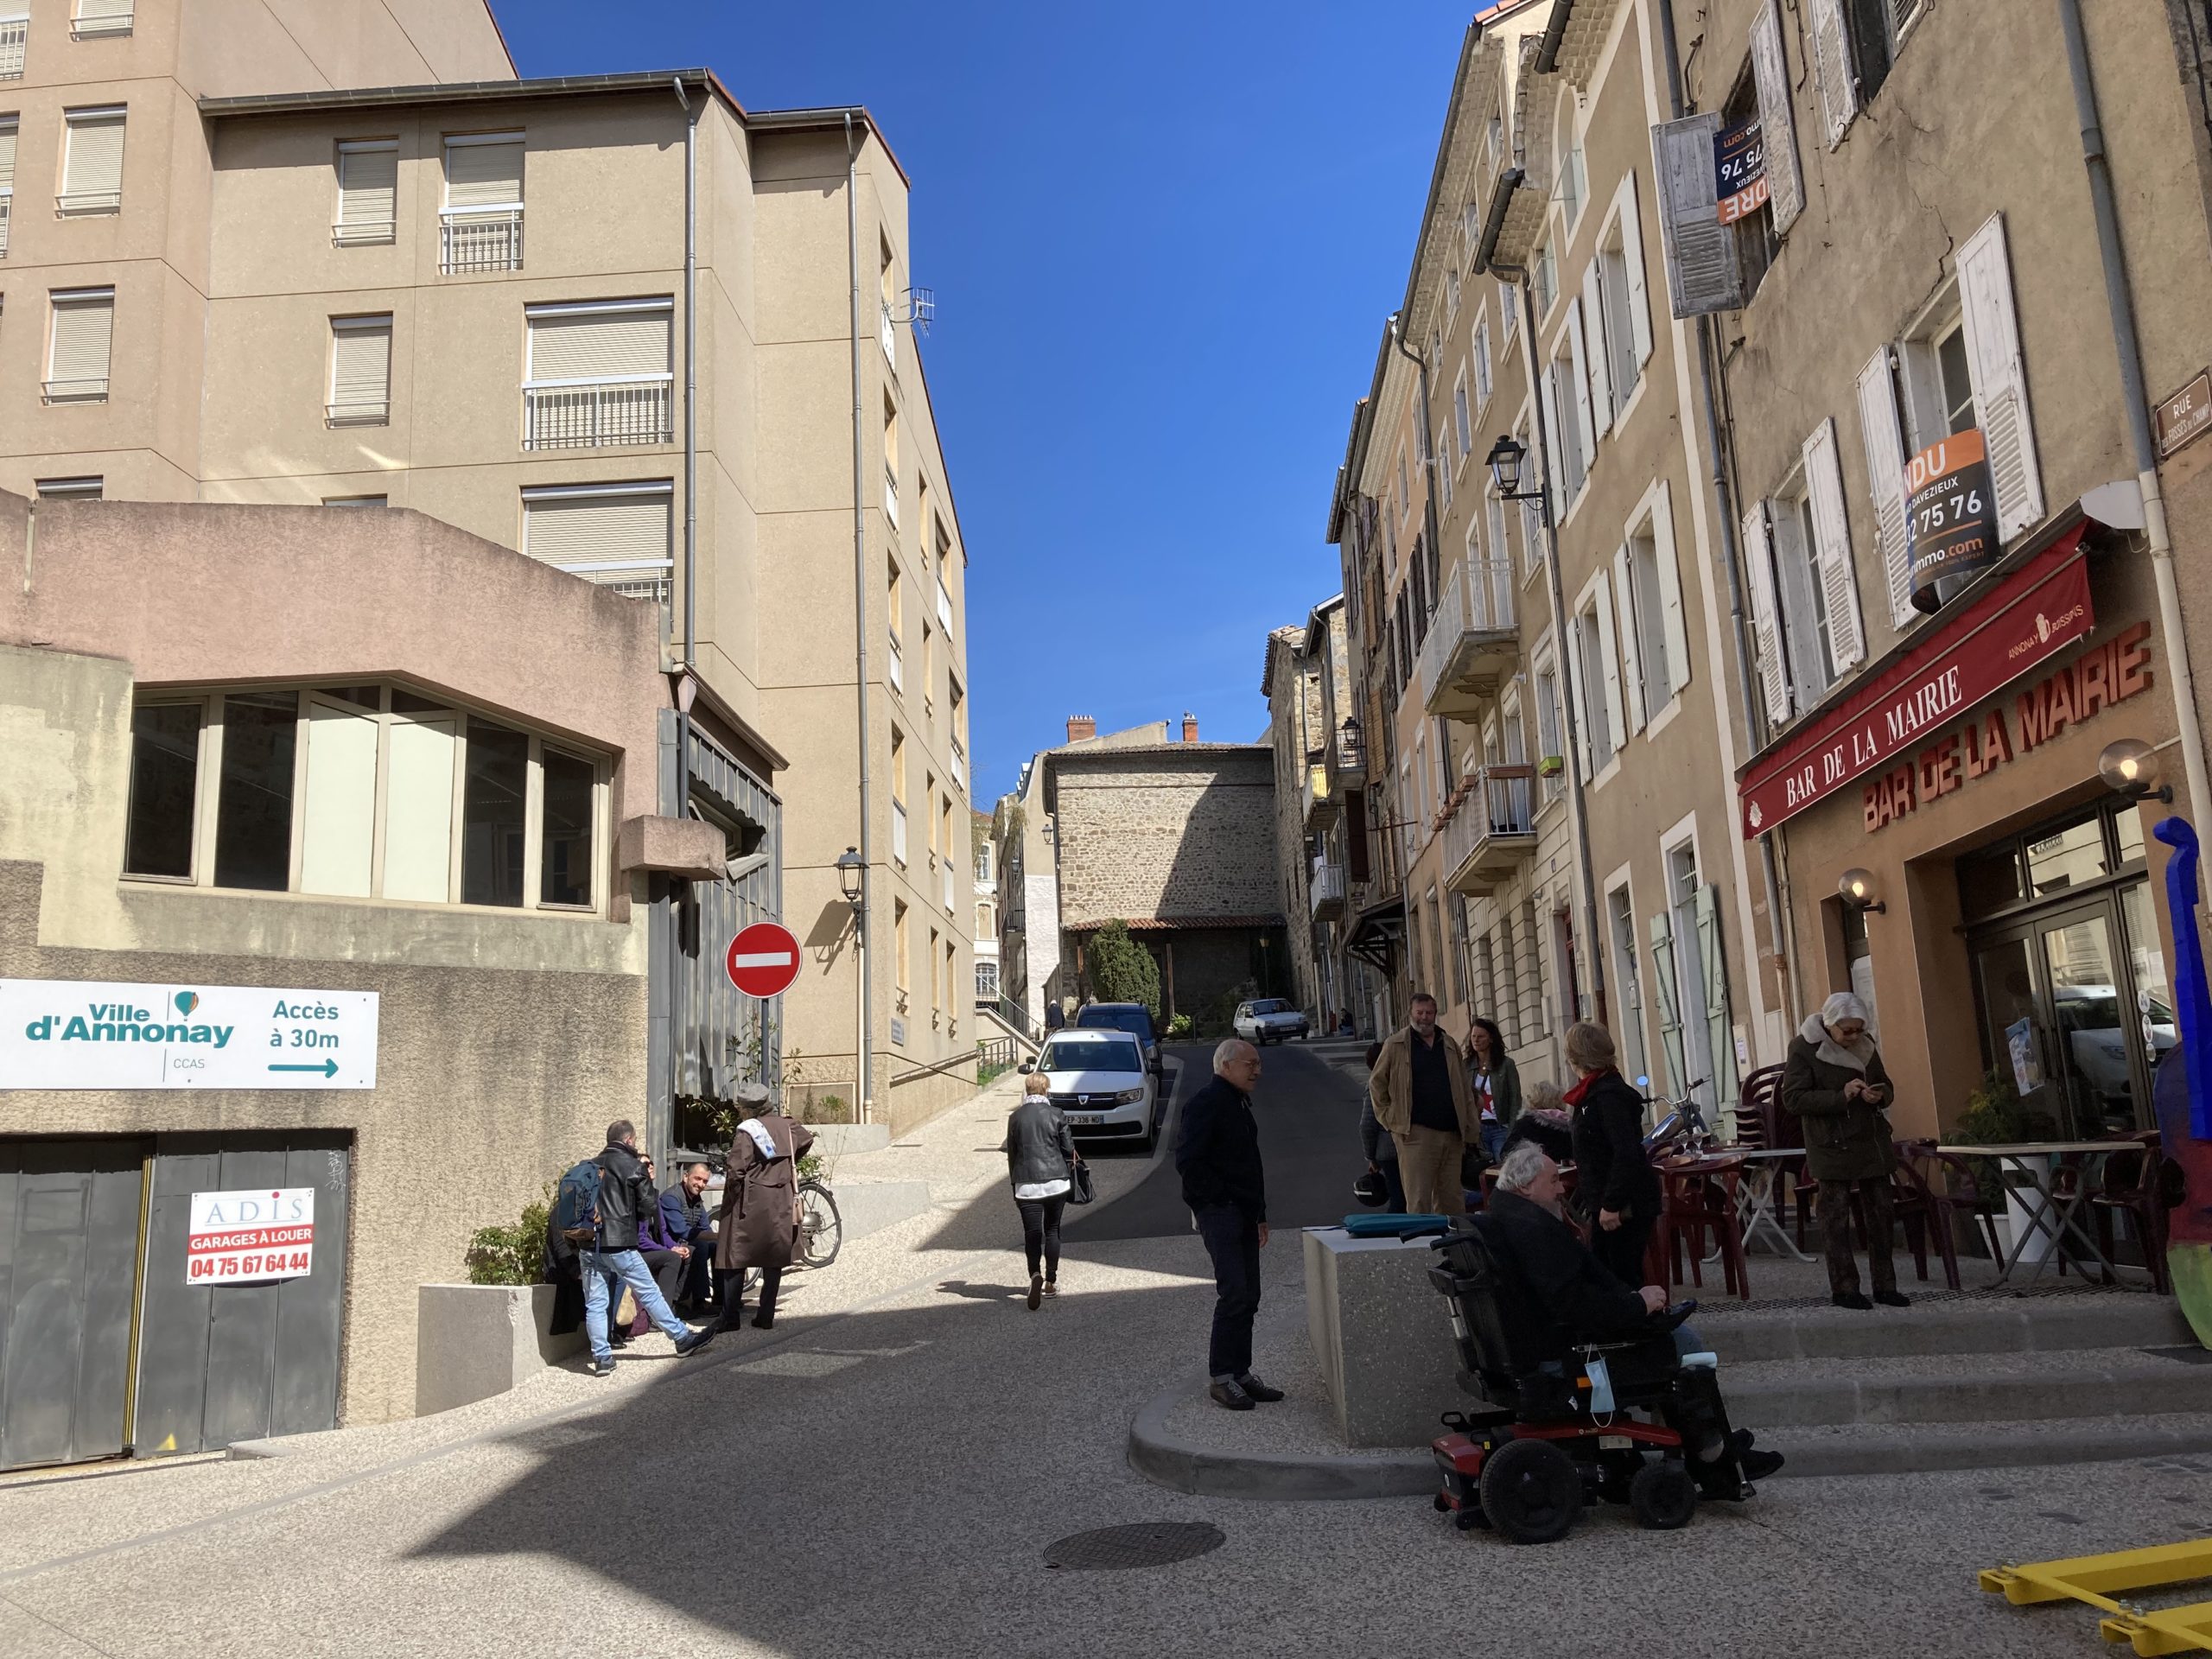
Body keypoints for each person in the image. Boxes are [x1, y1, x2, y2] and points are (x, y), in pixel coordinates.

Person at [1488, 1142, 1782, 1485]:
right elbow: (1573, 1303)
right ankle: (1712, 1453)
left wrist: (1633, 1301)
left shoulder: (1510, 1218)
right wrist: (1636, 1305)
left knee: (1668, 1333)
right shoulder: (1533, 1230)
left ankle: (1705, 1441)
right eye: (1553, 1180)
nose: (1561, 1189)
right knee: (1685, 1343)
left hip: (1540, 1342)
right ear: (1526, 1186)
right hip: (1564, 1353)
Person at [1176, 1037, 1284, 1411]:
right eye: (1250, 1064)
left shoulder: (1238, 1103)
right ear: (1225, 1066)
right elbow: (1189, 1162)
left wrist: (1260, 1214)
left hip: (1244, 1212)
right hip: (1221, 1212)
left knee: (1249, 1295)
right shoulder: (1206, 1103)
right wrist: (1218, 1202)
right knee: (1234, 1292)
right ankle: (1222, 1378)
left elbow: (1250, 1164)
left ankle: (1241, 1372)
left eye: (1258, 1064)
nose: (1257, 1071)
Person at [1783, 991, 1908, 1311]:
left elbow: (1886, 1084)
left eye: (1859, 1029)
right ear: (1829, 1025)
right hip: (1831, 1143)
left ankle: (1886, 1286)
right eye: (1847, 1030)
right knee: (1835, 1219)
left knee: (1882, 1214)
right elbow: (1793, 1099)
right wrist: (1842, 1095)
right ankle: (1845, 1289)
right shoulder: (1804, 1047)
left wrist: (1880, 1094)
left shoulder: (1867, 1044)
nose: (1854, 1037)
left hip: (1871, 1139)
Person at [579, 1120, 717, 1376]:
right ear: (629, 1140)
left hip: (589, 1244)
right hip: (619, 1244)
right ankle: (682, 1338)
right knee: (650, 1292)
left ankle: (602, 1358)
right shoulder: (633, 1166)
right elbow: (648, 1208)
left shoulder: (589, 1165)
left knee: (595, 1303)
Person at [1563, 1020, 1662, 1291]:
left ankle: (1648, 1318)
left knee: (1622, 1279)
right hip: (1606, 1201)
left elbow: (1626, 1152)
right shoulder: (1593, 1093)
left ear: (1576, 1056)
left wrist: (1612, 1204)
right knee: (1608, 1277)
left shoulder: (1608, 1096)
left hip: (1622, 1205)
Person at [713, 1081, 817, 1332]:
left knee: (735, 1254)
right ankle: (766, 1314)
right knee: (773, 1257)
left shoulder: (748, 1131)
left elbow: (736, 1169)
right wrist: (786, 1164)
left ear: (749, 1109)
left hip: (751, 1199)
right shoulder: (787, 1125)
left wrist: (732, 1196)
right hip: (781, 1196)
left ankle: (730, 1316)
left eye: (741, 1108)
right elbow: (806, 1140)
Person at [1368, 993, 1478, 1215]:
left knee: (1452, 1200)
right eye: (1419, 1013)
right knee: (1419, 1199)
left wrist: (1471, 1127)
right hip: (1416, 1135)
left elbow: (1464, 1089)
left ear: (1435, 1014)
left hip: (1452, 1134)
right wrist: (1390, 1119)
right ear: (1410, 1014)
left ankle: (1453, 1237)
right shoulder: (1395, 1044)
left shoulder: (1449, 1044)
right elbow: (1377, 1083)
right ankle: (1422, 1238)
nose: (1424, 1018)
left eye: (1429, 1013)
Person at [1004, 1071, 1079, 1308]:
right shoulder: (1056, 1114)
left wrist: (1014, 1184)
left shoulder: (1015, 1118)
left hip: (1026, 1184)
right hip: (1056, 1181)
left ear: (1027, 1090)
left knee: (1032, 1233)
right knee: (1053, 1230)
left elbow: (1012, 1154)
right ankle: (1050, 1282)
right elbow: (1069, 1149)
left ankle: (1034, 1274)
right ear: (1046, 1090)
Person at [654, 1160, 720, 1316]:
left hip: (689, 1240)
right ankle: (697, 1300)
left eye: (705, 1181)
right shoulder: (671, 1197)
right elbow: (681, 1231)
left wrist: (719, 1239)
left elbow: (705, 1227)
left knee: (718, 1246)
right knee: (700, 1246)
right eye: (697, 1178)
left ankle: (722, 1298)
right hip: (670, 1243)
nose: (701, 1184)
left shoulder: (697, 1199)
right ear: (685, 1177)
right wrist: (718, 1235)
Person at [1356, 1040, 1406, 1213]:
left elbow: (1367, 1126)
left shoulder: (1375, 1085)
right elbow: (1367, 1125)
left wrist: (1371, 1157)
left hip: (1387, 1151)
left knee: (1399, 1198)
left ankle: (1395, 1226)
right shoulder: (1392, 1083)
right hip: (1401, 1147)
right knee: (1403, 1197)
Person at [1467, 1016, 1522, 1166]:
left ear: (1491, 1039)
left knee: (1503, 1167)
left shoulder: (1506, 1064)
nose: (1476, 1040)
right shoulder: (1466, 1066)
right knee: (1480, 1169)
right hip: (1477, 1130)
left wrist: (1512, 1130)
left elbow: (1515, 1100)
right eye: (1473, 1036)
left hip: (1500, 1128)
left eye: (1480, 1036)